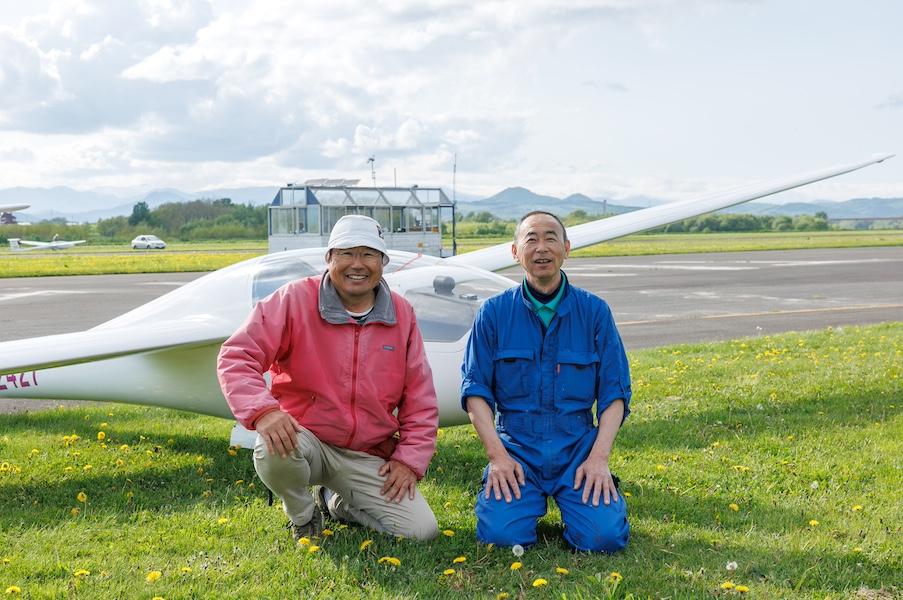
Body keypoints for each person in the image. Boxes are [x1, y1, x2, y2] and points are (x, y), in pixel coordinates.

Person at [217, 214, 440, 542]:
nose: (357, 264)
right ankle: (303, 514)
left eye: (368, 254)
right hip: (305, 440)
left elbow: (420, 395)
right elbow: (237, 355)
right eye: (347, 253)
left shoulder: (401, 313)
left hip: (368, 452)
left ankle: (334, 501)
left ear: (383, 262)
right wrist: (263, 411)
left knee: (421, 532)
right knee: (271, 445)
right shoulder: (293, 299)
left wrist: (409, 460)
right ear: (329, 258)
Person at [461, 211, 631, 552]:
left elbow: (615, 394)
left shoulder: (595, 312)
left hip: (577, 448)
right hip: (517, 447)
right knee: (500, 538)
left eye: (551, 238)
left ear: (566, 248)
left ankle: (587, 510)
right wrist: (498, 458)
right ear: (514, 252)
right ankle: (518, 504)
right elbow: (475, 391)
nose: (542, 248)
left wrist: (598, 459)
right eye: (531, 239)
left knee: (605, 539)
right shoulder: (493, 314)